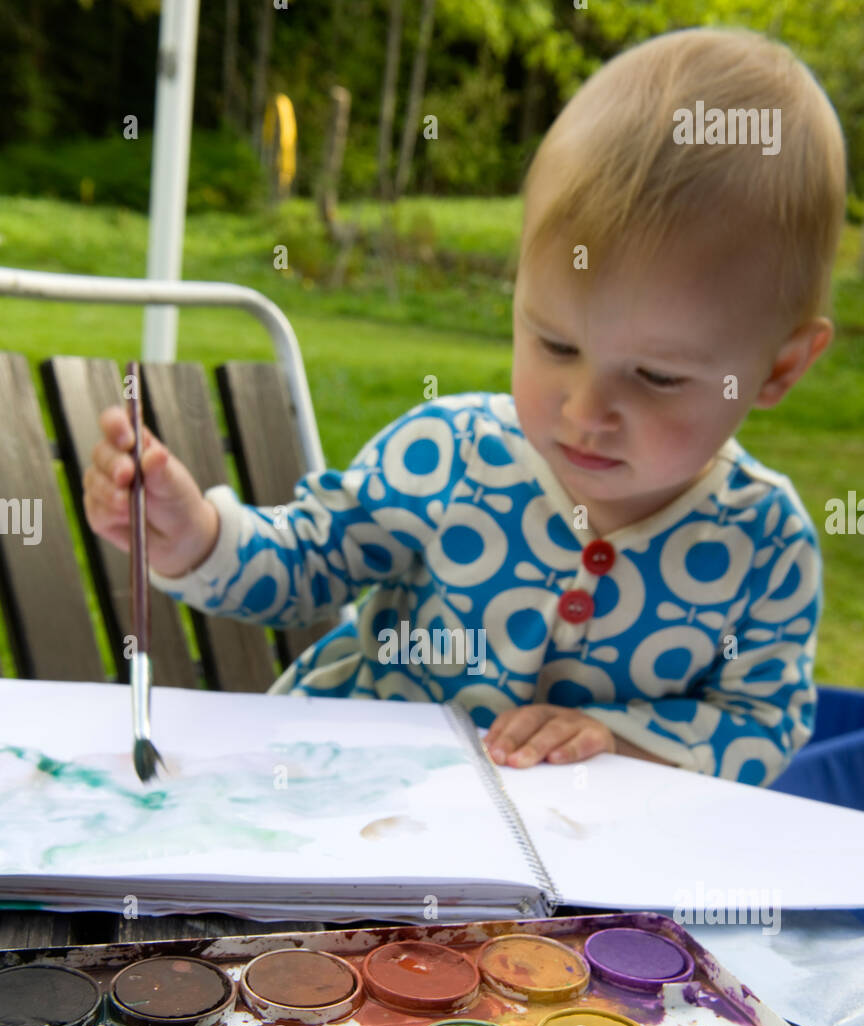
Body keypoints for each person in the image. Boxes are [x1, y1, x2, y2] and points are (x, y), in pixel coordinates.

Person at [84, 27, 847, 785]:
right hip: (343, 804)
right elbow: (304, 565)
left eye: (655, 377)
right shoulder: (450, 455)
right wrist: (197, 537)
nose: (586, 411)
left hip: (570, 859)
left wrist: (617, 740)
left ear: (779, 368)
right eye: (555, 344)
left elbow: (762, 723)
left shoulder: (764, 544)